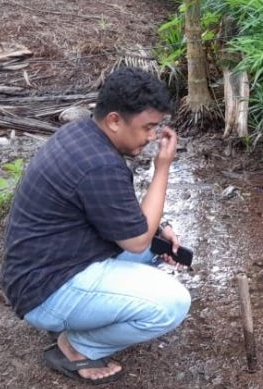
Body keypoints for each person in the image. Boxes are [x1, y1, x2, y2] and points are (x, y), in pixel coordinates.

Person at [1, 67, 191, 385]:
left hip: (41, 267)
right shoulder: (100, 165)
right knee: (172, 304)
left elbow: (122, 217)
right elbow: (136, 242)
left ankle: (75, 319)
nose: (151, 137)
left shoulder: (82, 135)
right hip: (43, 290)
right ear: (115, 120)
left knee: (156, 251)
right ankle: (75, 347)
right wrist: (162, 168)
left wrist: (161, 228)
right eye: (147, 128)